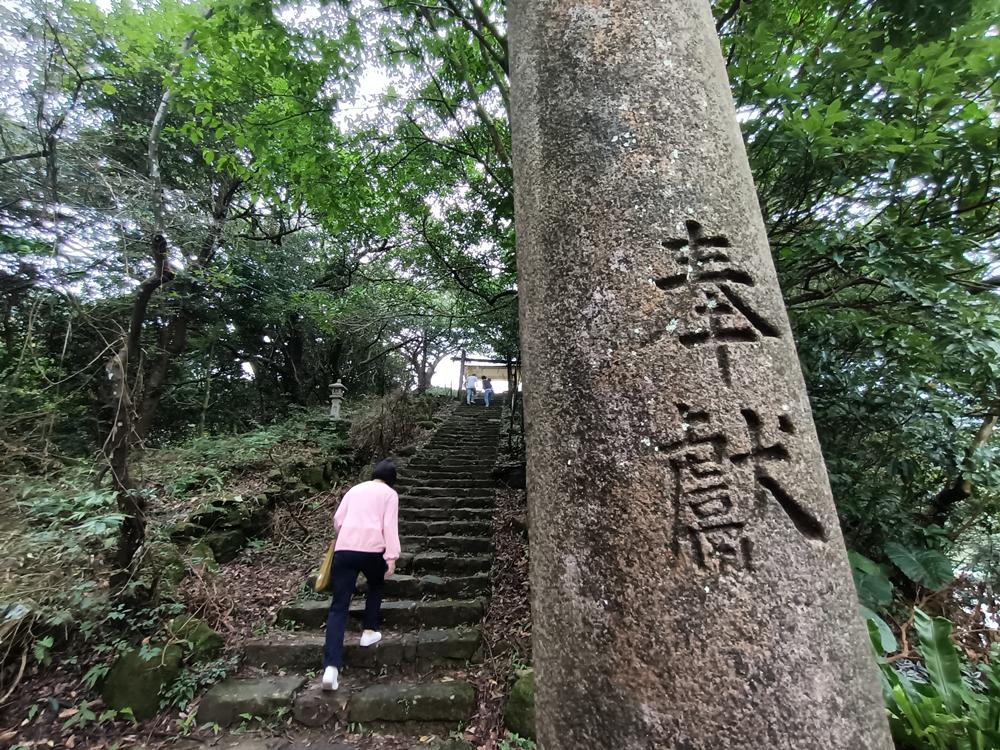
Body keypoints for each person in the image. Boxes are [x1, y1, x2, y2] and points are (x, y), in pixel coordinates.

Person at [321, 459, 400, 691]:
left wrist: (348, 534)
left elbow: (338, 520)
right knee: (376, 584)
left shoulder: (354, 490)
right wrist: (391, 557)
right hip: (372, 550)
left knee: (339, 606)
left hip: (345, 549)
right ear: (392, 480)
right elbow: (389, 526)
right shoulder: (389, 494)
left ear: (374, 474)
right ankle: (369, 630)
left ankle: (331, 668)